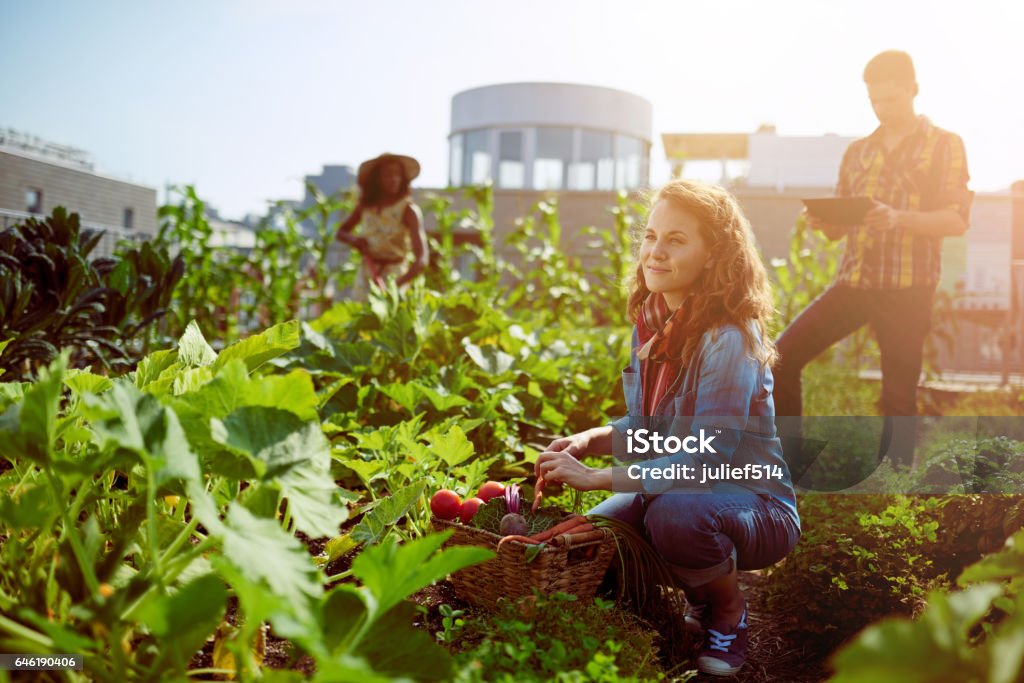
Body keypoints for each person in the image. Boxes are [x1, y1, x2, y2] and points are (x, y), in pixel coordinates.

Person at [535, 179, 800, 677]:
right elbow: (650, 428)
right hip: (678, 488)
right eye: (651, 235)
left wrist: (595, 477)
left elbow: (705, 456)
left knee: (676, 518)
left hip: (756, 504)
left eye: (676, 239)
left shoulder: (729, 338)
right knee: (598, 536)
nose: (655, 251)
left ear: (714, 254)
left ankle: (725, 611)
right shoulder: (654, 324)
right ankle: (691, 595)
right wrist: (589, 440)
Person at [772, 50, 972, 468]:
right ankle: (788, 464)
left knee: (899, 394)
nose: (882, 109)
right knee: (780, 358)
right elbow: (841, 229)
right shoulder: (857, 152)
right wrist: (824, 221)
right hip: (855, 283)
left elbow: (955, 220)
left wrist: (897, 218)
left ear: (913, 90)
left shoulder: (945, 145)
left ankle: (895, 483)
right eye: (875, 100)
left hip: (908, 287)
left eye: (891, 100)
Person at [335, 152, 428, 296]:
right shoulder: (365, 208)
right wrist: (356, 241)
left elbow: (421, 259)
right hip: (367, 274)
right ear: (377, 180)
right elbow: (341, 232)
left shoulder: (408, 210)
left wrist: (397, 284)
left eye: (397, 174)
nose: (393, 179)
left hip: (395, 277)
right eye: (387, 175)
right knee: (361, 315)